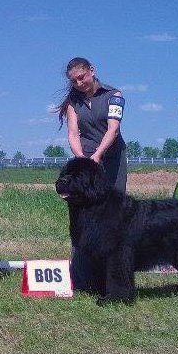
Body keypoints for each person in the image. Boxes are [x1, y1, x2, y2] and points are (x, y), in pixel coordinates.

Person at [56, 56, 127, 293]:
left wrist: (97, 156)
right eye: (74, 81)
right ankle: (81, 278)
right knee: (82, 221)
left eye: (82, 77)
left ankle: (112, 278)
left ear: (92, 71)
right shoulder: (72, 102)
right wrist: (82, 159)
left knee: (111, 219)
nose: (79, 83)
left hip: (111, 161)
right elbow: (73, 133)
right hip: (86, 164)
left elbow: (113, 129)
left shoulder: (114, 95)